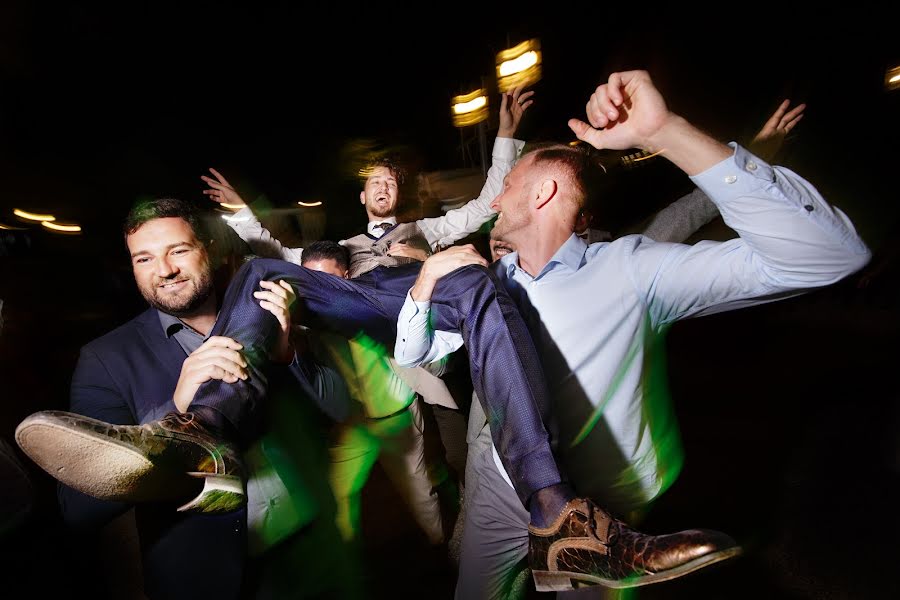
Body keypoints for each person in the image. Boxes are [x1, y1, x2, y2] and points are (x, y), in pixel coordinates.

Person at [393, 70, 867, 596]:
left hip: (604, 503)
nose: (496, 203)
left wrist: (666, 132)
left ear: (545, 192)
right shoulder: (486, 282)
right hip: (500, 487)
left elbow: (828, 256)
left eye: (506, 188)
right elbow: (422, 356)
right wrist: (422, 290)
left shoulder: (631, 269)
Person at [13, 198, 355, 599]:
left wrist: (289, 354)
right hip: (209, 576)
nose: (165, 270)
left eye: (178, 250)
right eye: (144, 259)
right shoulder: (107, 359)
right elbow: (79, 509)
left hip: (314, 551)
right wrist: (175, 413)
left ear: (207, 249)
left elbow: (342, 407)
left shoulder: (264, 310)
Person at [298, 240, 452, 546]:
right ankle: (344, 570)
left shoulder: (376, 304)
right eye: (308, 279)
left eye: (325, 279)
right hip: (353, 425)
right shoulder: (307, 316)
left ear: (347, 275)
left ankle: (446, 561)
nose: (316, 288)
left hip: (399, 420)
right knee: (337, 497)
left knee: (420, 498)